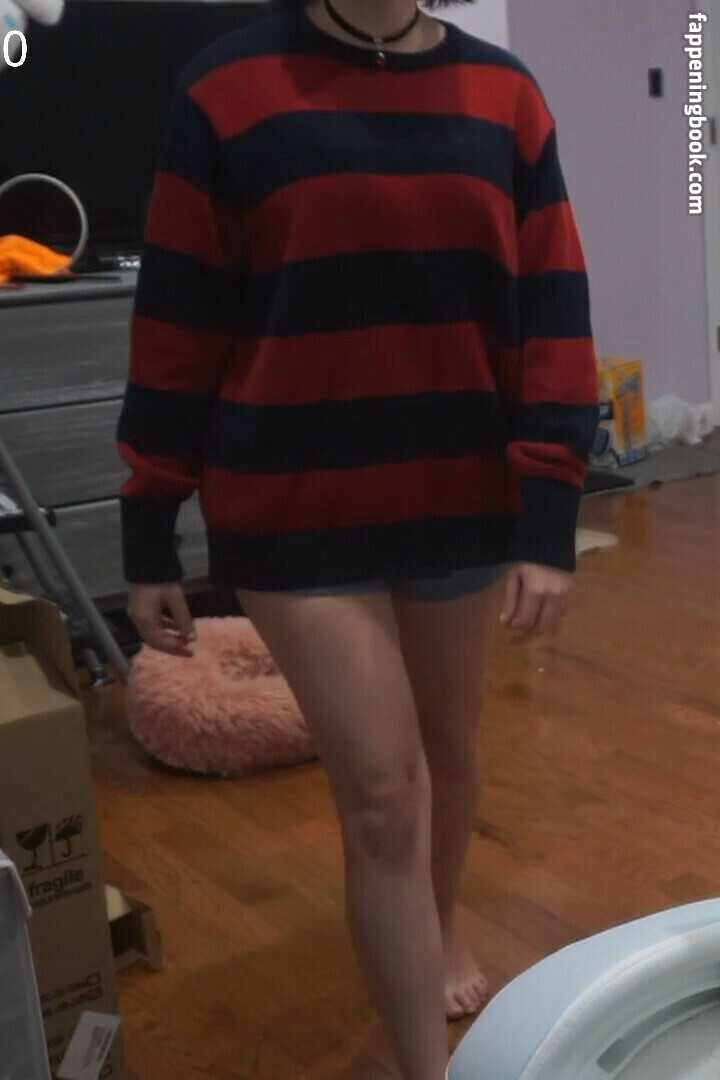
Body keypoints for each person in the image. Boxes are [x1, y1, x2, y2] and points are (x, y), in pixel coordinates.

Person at [116, 1, 599, 1076]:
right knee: (383, 793)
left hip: (457, 488)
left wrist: (549, 513)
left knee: (451, 756)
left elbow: (554, 305)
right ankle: (424, 1066)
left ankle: (436, 926)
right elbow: (179, 314)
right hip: (291, 500)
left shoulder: (505, 95)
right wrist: (149, 520)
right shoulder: (226, 89)